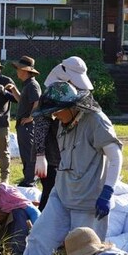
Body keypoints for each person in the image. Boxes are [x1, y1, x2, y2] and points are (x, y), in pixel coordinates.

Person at [9, 81, 122, 255]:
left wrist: (107, 192)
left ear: (71, 106)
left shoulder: (96, 121)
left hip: (89, 203)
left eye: (57, 112)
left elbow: (115, 157)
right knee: (39, 237)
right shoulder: (63, 123)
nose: (54, 116)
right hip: (61, 194)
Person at [32, 56, 94, 210]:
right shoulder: (51, 95)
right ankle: (41, 224)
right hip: (54, 152)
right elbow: (41, 123)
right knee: (51, 190)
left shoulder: (82, 94)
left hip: (75, 152)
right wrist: (40, 155)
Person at [10, 55, 42, 187]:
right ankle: (27, 177)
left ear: (25, 70)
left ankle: (30, 180)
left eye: (18, 69)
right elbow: (21, 101)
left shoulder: (33, 85)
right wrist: (12, 90)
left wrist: (31, 117)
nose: (17, 71)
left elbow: (37, 102)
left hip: (28, 125)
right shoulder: (26, 85)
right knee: (24, 152)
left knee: (29, 152)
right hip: (23, 124)